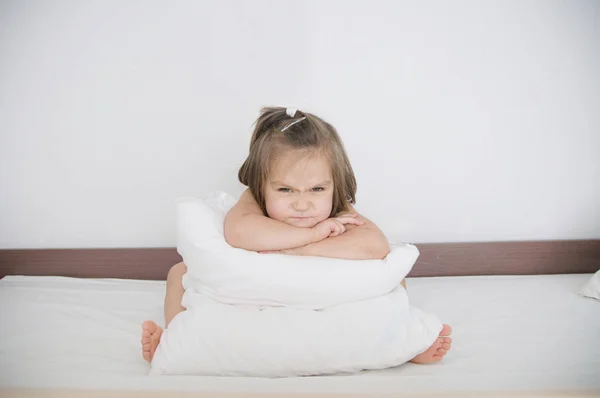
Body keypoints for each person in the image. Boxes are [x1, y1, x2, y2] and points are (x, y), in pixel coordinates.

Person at [142, 107, 452, 365]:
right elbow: (239, 232)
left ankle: (405, 344)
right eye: (285, 190)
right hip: (261, 291)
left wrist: (300, 251)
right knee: (179, 272)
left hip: (326, 289)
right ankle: (175, 336)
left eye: (317, 189)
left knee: (393, 280)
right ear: (262, 185)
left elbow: (376, 246)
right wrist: (316, 233)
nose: (302, 204)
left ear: (334, 184)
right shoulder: (253, 201)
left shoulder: (337, 209)